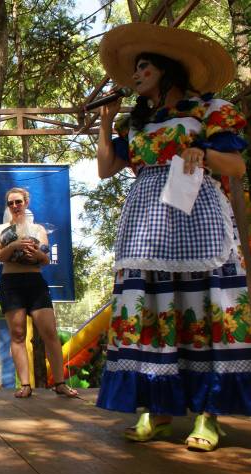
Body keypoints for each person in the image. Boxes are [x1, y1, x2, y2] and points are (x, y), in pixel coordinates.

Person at [95, 23, 249, 452]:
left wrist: (204, 152)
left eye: (143, 66)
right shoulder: (137, 122)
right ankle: (157, 410)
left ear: (165, 69)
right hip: (146, 221)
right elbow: (105, 170)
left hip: (198, 214)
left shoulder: (209, 109)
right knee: (150, 305)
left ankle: (208, 413)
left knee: (205, 304)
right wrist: (105, 124)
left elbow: (236, 167)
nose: (135, 75)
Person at [0, 187, 78, 399]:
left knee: (50, 332)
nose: (14, 206)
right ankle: (25, 385)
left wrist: (35, 254)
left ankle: (60, 383)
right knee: (18, 334)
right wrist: (15, 245)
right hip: (11, 284)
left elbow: (46, 259)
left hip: (35, 283)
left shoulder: (38, 229)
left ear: (26, 203)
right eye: (11, 203)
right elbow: (0, 255)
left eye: (18, 202)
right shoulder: (0, 229)